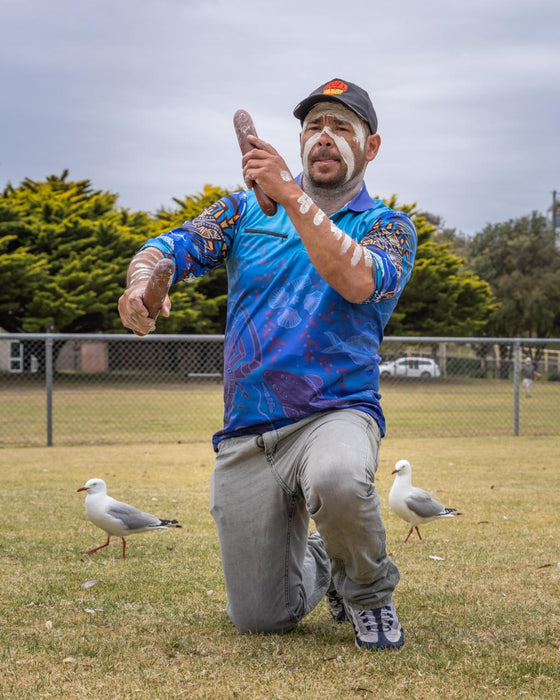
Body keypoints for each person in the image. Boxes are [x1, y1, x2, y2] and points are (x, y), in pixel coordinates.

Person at [118, 78, 417, 651]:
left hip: (336, 412)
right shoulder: (241, 213)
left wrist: (289, 192)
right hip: (248, 431)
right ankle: (326, 563)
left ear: (371, 147)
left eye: (341, 127)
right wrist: (142, 287)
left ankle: (370, 595)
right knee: (260, 618)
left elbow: (357, 279)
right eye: (313, 127)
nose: (323, 138)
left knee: (338, 476)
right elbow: (170, 247)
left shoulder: (388, 229)